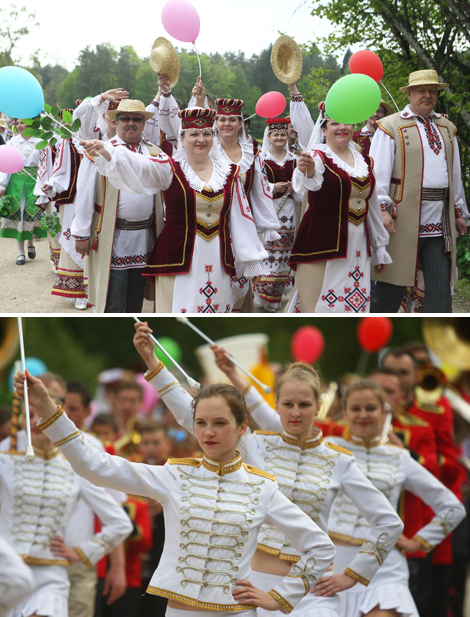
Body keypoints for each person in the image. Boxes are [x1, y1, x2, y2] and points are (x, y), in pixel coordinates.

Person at [133, 322, 404, 617]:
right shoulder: (256, 445)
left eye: (304, 404)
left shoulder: (339, 461)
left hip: (312, 591)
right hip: (256, 587)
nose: (295, 412)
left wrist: (351, 575)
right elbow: (192, 414)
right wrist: (153, 363)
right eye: (288, 404)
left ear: (318, 406)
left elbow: (389, 522)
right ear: (277, 405)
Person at [14, 369, 336, 616]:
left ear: (241, 428)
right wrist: (46, 407)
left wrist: (278, 598)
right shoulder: (175, 475)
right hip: (179, 609)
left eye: (220, 423)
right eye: (201, 422)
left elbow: (320, 547)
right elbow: (93, 465)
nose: (208, 432)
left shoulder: (263, 487)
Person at [82, 107, 271, 313]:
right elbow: (140, 165)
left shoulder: (228, 173)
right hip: (177, 259)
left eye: (206, 133)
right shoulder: (169, 167)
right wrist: (109, 151)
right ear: (182, 139)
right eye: (194, 134)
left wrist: (252, 258)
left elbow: (241, 217)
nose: (201, 139)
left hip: (218, 258)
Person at [326, 379, 466, 617]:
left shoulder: (399, 457)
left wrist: (418, 542)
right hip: (334, 562)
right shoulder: (329, 449)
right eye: (356, 409)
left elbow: (452, 506)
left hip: (384, 566)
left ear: (383, 413)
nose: (363, 415)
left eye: (370, 408)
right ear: (345, 413)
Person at [0, 397, 133, 617]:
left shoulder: (74, 468)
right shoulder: (4, 462)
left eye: (43, 415)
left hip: (50, 575)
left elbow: (120, 523)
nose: (36, 421)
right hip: (6, 571)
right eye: (29, 416)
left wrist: (83, 552)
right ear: (21, 421)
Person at [370, 69, 468, 313]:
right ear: (410, 93)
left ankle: (440, 339)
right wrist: (381, 209)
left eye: (432, 91)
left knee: (439, 289)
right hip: (401, 218)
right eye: (422, 91)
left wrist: (458, 211)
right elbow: (377, 174)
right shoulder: (390, 126)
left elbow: (454, 175)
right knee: (391, 285)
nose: (428, 95)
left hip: (439, 221)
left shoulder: (447, 128)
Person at [287, 103, 391, 313]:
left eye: (347, 123)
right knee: (319, 304)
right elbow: (301, 186)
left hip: (358, 245)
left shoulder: (364, 161)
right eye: (335, 123)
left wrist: (379, 247)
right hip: (322, 244)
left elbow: (371, 206)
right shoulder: (317, 156)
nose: (342, 127)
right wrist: (307, 169)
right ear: (324, 130)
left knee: (354, 303)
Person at [72, 99, 163, 313]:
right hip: (112, 237)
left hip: (145, 237)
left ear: (143, 123)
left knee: (136, 299)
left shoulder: (155, 153)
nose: (131, 123)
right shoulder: (99, 151)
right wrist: (82, 233)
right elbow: (85, 192)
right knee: (113, 298)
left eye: (137, 119)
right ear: (117, 122)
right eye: (126, 119)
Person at [254, 118, 302, 312]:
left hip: (289, 213)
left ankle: (275, 299)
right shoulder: (262, 159)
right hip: (269, 211)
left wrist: (294, 187)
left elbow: (301, 191)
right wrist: (273, 187)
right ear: (269, 136)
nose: (280, 138)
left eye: (283, 134)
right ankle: (263, 298)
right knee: (268, 254)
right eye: (276, 135)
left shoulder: (294, 160)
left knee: (283, 254)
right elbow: (256, 187)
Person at [0, 118, 47, 265]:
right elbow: (5, 163)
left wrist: (44, 186)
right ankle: (21, 253)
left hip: (34, 181)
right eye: (17, 123)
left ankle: (30, 243)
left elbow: (44, 166)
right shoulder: (12, 142)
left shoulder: (40, 141)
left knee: (30, 214)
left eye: (22, 123)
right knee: (18, 215)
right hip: (15, 182)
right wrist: (2, 185)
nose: (19, 126)